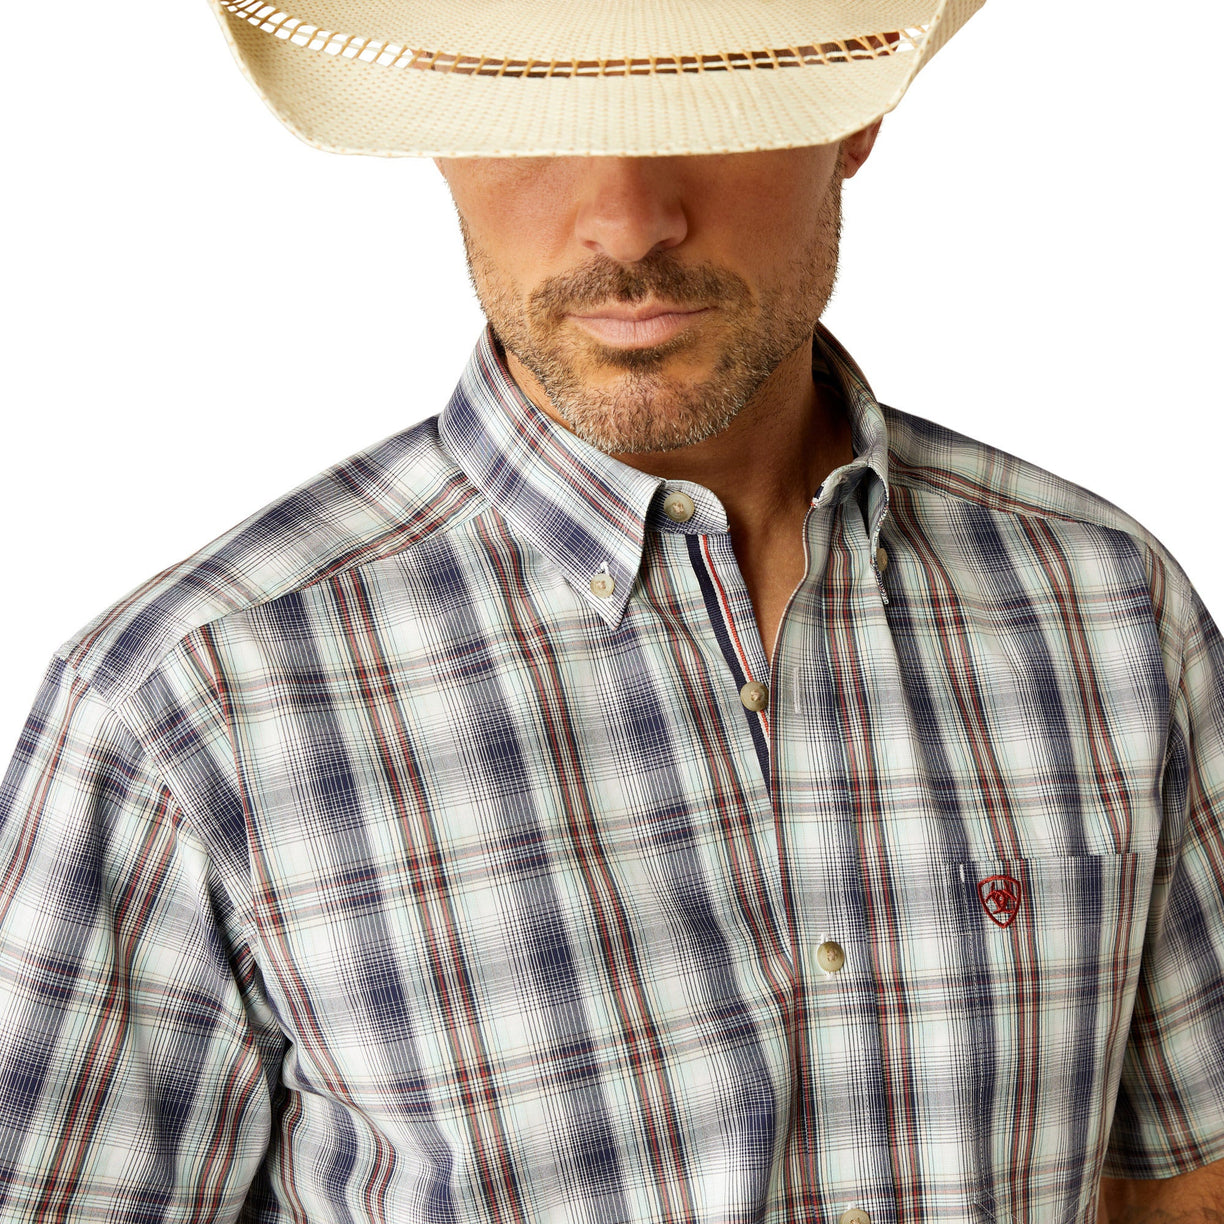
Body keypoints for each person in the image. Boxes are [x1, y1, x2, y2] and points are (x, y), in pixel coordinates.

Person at [1, 1, 1222, 1220]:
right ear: (434, 122)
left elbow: (1185, 1183)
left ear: (857, 113)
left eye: (711, 93)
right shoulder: (187, 709)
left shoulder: (1105, 612)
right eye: (534, 110)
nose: (631, 219)